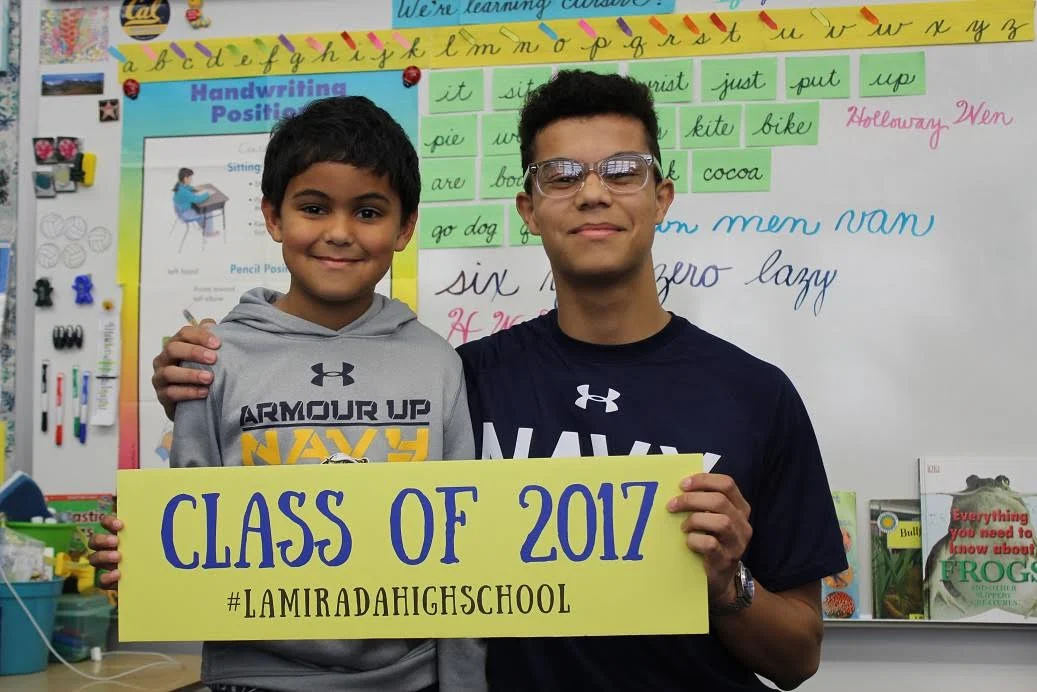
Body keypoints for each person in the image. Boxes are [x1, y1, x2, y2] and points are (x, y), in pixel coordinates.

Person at [142, 71, 847, 691]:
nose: (593, 193)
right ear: (527, 208)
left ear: (660, 197)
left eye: (622, 171)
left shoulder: (756, 395)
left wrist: (728, 582)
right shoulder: (460, 374)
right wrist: (203, 374)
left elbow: (795, 661)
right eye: (562, 176)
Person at [90, 96, 485, 692]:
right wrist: (143, 561)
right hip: (251, 676)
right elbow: (189, 527)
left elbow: (468, 547)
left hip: (408, 679)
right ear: (274, 217)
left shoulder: (436, 362)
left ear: (405, 228)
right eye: (314, 207)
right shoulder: (212, 360)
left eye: (369, 211)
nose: (339, 232)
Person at [172, 166, 213, 235]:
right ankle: (208, 233)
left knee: (199, 209)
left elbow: (187, 187)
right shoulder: (183, 192)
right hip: (185, 214)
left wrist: (194, 189)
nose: (191, 180)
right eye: (190, 178)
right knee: (208, 212)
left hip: (179, 210)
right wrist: (207, 194)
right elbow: (198, 200)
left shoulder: (179, 185)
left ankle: (203, 227)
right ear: (185, 179)